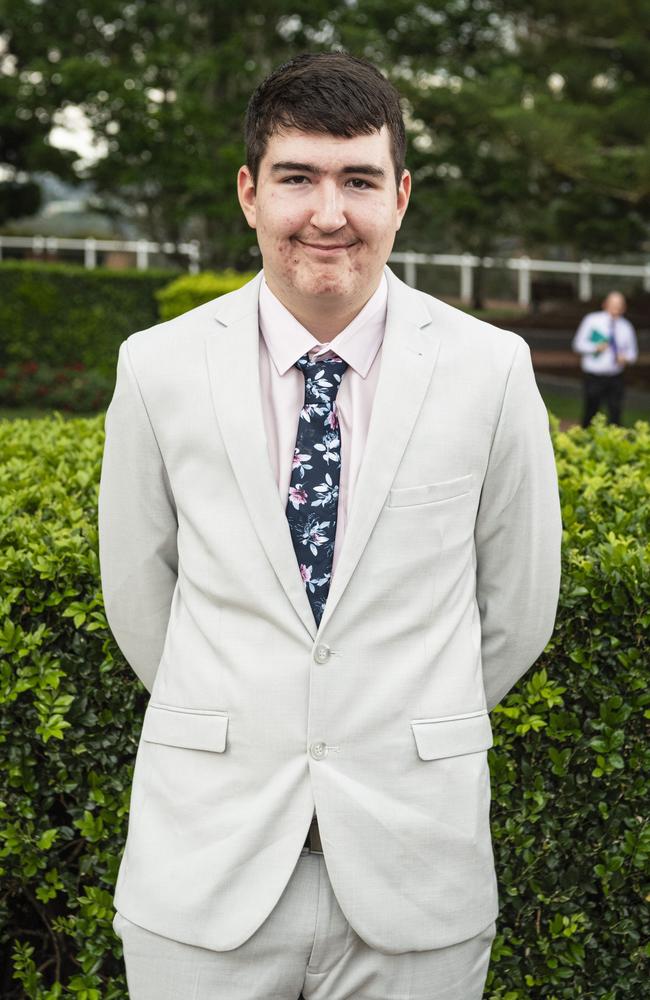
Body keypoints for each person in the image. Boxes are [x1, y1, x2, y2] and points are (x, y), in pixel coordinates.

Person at [98, 52, 562, 1000]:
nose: (327, 212)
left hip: (416, 871)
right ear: (248, 192)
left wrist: (398, 714)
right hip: (205, 872)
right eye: (297, 177)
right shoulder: (156, 366)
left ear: (400, 196)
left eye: (357, 179)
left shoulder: (493, 368)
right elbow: (140, 598)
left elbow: (517, 606)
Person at [571, 291, 639, 427]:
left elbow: (633, 354)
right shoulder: (591, 320)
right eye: (613, 304)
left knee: (615, 412)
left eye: (619, 305)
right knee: (591, 411)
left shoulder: (626, 327)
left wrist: (625, 358)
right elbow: (577, 345)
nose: (616, 308)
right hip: (593, 376)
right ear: (605, 304)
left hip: (615, 377)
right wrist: (595, 347)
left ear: (624, 307)